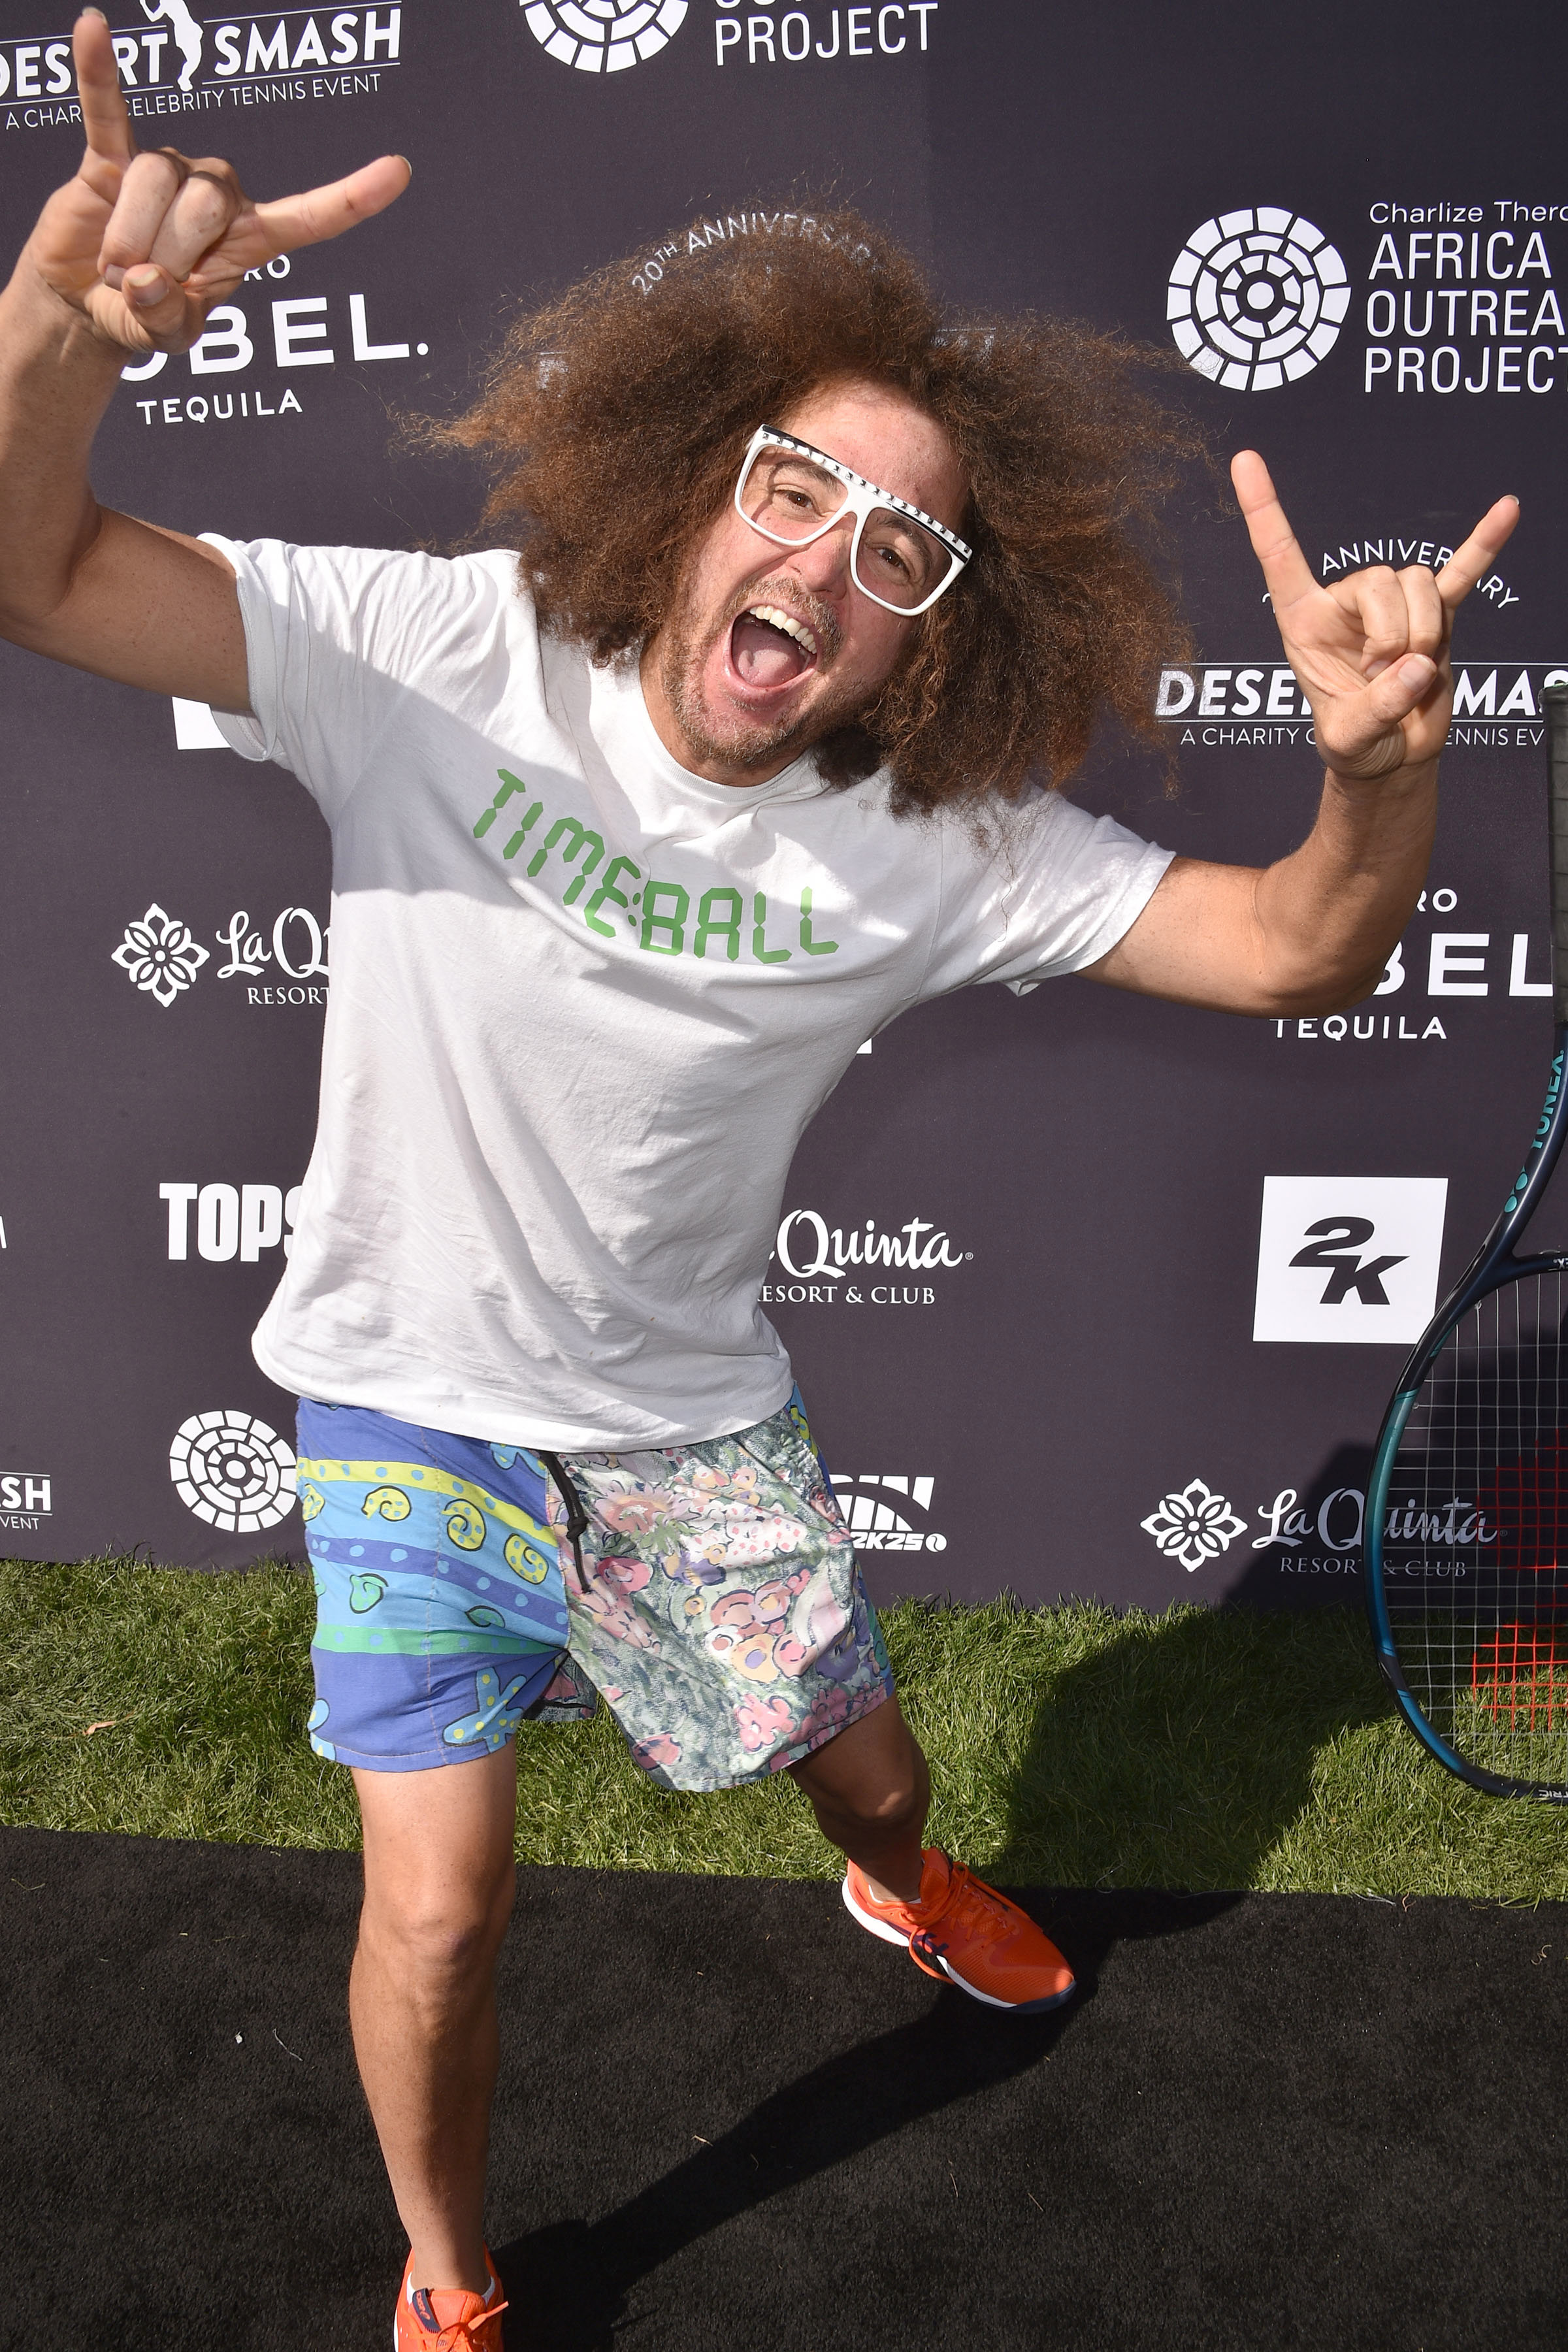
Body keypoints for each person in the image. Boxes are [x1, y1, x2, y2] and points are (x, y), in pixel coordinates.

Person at [0, 17, 1516, 2349]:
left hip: (687, 1408)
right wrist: (46, 337)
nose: (830, 554)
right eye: (796, 487)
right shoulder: (442, 651)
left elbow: (1306, 947)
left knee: (876, 1774)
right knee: (438, 1911)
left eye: (902, 545)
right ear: (699, 486)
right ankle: (453, 2279)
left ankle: (906, 1887)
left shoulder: (941, 842)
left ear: (939, 622)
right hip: (410, 1392)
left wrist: (1385, 776)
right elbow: (45, 569)